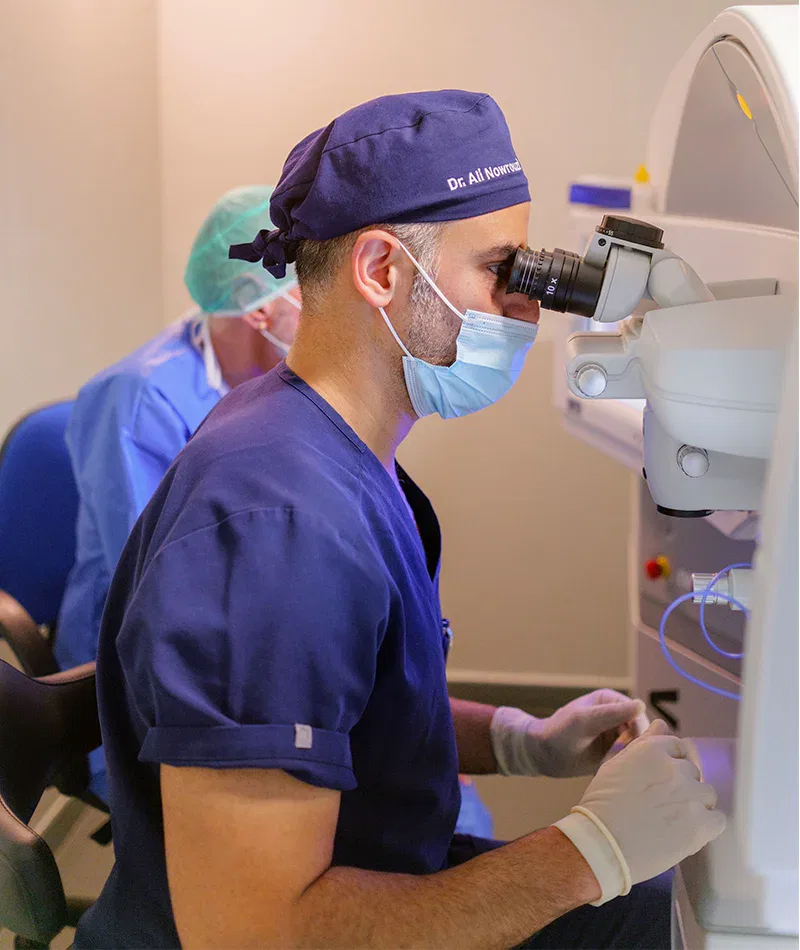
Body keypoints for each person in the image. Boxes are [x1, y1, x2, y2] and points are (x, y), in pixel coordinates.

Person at [76, 92, 725, 950]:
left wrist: (519, 740)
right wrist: (589, 852)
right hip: (299, 923)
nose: (529, 307)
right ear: (382, 270)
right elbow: (248, 932)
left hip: (383, 874)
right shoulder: (277, 528)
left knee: (686, 918)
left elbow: (345, 707)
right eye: (504, 270)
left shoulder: (328, 444)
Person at [55, 185, 300, 801]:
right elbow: (154, 591)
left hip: (231, 640)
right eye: (309, 290)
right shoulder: (138, 399)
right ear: (258, 309)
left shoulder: (276, 383)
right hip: (135, 676)